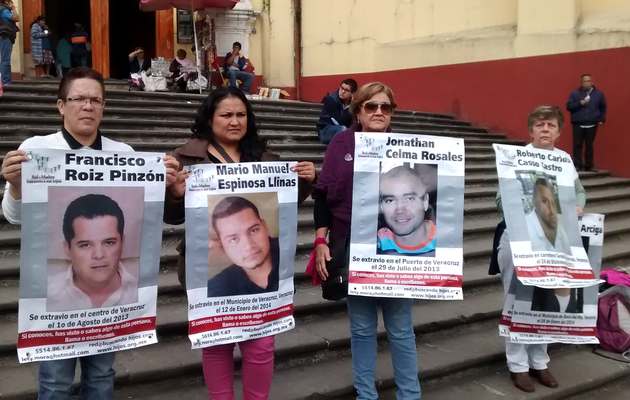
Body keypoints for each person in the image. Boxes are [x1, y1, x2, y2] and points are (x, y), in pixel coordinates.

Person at [0, 67, 180, 399]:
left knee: (101, 376)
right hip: (55, 301)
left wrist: (162, 185)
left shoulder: (123, 155)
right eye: (79, 98)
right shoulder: (37, 150)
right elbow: (13, 219)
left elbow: (143, 221)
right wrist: (14, 187)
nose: (87, 106)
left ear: (103, 106)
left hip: (111, 303)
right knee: (55, 381)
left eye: (95, 100)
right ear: (60, 105)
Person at [164, 86, 316, 399]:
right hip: (207, 271)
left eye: (241, 114)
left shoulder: (264, 157)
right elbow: (172, 216)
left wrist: (306, 182)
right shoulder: (185, 158)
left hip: (262, 276)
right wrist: (175, 194)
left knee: (262, 343)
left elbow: (282, 203)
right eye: (226, 115)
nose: (235, 121)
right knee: (216, 344)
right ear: (210, 118)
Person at [314, 82, 422, 399]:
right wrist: (321, 239)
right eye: (370, 106)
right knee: (361, 329)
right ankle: (366, 394)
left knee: (401, 329)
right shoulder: (341, 144)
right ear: (358, 111)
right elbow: (322, 196)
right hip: (354, 247)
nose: (378, 112)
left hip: (399, 249)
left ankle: (410, 394)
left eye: (385, 107)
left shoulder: (408, 147)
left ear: (392, 113)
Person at [494, 105, 586, 393]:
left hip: (554, 241)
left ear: (559, 131)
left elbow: (578, 190)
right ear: (531, 130)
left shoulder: (565, 160)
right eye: (539, 125)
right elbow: (501, 199)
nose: (545, 129)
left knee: (546, 301)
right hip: (520, 240)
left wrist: (578, 205)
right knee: (519, 300)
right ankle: (518, 365)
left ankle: (540, 362)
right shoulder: (516, 158)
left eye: (551, 125)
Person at [47, 193, 138, 312]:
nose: (99, 255)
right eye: (85, 245)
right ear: (67, 248)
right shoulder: (46, 294)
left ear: (122, 242)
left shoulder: (141, 290)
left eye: (109, 242)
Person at [207, 196, 279, 297]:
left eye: (254, 230)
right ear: (221, 244)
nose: (248, 245)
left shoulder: (291, 255)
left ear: (265, 226)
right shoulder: (215, 290)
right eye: (233, 239)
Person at [377, 165, 437, 256]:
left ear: (425, 201)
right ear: (381, 206)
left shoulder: (445, 240)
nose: (400, 209)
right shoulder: (376, 242)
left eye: (409, 198)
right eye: (390, 200)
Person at [566, 74, 606, 171]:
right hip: (578, 123)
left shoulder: (598, 94)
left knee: (589, 145)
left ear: (592, 82)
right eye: (584, 81)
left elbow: (603, 107)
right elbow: (569, 106)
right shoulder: (575, 94)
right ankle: (577, 165)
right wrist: (580, 103)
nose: (587, 83)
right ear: (581, 82)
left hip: (592, 123)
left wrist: (601, 119)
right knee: (577, 145)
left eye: (588, 81)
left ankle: (589, 166)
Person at [525, 178, 570, 254]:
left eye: (552, 202)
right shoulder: (523, 229)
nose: (551, 210)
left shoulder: (563, 223)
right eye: (544, 201)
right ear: (534, 201)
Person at [316, 78, 358, 144]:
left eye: (346, 90)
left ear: (352, 94)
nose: (342, 91)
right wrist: (349, 108)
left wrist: (353, 105)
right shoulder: (331, 100)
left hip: (342, 131)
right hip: (325, 132)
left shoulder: (352, 104)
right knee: (343, 129)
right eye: (342, 88)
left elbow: (354, 123)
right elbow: (339, 121)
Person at [0, 0, 19, 86]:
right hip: (5, 36)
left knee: (5, 59)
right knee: (5, 60)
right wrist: (14, 8)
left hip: (5, 36)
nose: (11, 3)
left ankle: (6, 81)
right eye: (10, 2)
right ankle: (6, 82)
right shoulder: (4, 10)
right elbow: (16, 18)